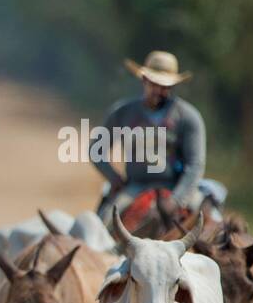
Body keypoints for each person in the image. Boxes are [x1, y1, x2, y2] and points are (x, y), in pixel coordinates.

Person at [89, 50, 208, 221]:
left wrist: (177, 200)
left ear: (172, 87)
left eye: (165, 87)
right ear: (144, 80)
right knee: (106, 222)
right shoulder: (122, 113)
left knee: (210, 226)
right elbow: (96, 151)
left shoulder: (188, 117)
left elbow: (195, 165)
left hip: (175, 187)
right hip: (135, 188)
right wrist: (114, 178)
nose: (159, 91)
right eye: (154, 84)